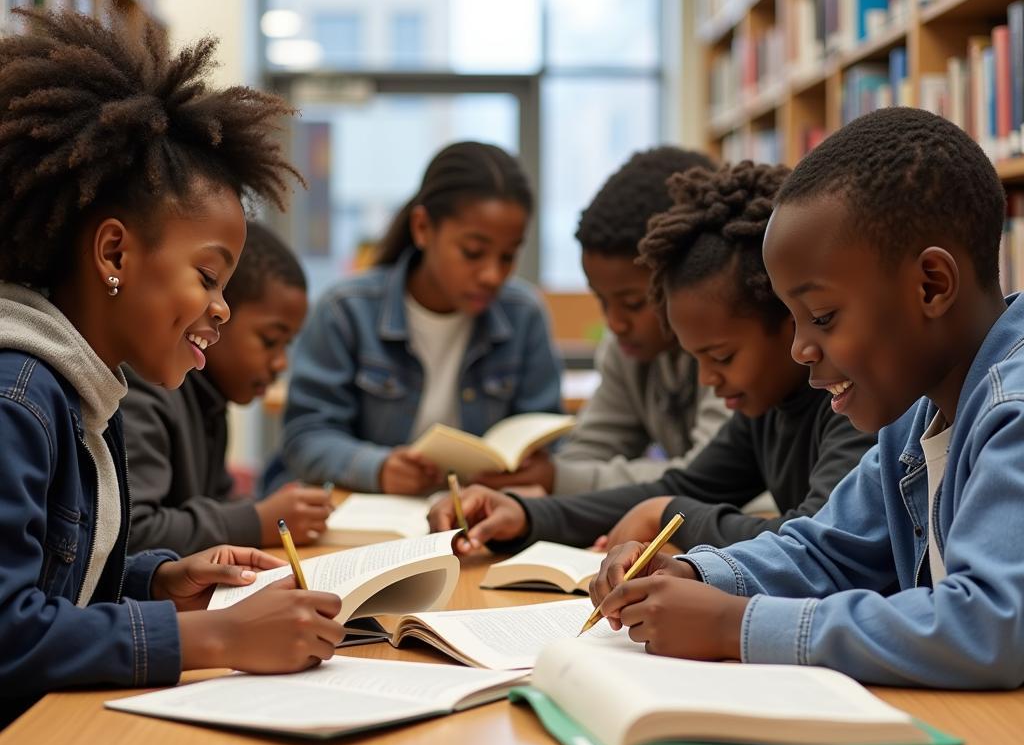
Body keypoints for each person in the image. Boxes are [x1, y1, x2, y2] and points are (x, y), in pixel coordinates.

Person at [593, 107, 1024, 745]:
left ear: (931, 284)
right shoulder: (917, 418)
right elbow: (826, 549)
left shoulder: (1012, 409)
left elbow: (992, 626)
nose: (801, 349)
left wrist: (733, 625)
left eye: (821, 315)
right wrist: (694, 571)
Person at [0, 8, 344, 745]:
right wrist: (215, 637)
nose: (222, 310)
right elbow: (5, 632)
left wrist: (161, 582)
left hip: (46, 743)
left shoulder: (85, 386)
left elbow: (60, 584)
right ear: (114, 252)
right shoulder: (18, 396)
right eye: (208, 275)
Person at [428, 160, 875, 555]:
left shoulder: (856, 400)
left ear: (788, 319)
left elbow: (811, 538)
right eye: (696, 358)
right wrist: (527, 514)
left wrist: (668, 514)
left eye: (720, 356)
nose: (707, 379)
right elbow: (681, 486)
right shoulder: (766, 409)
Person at [279, 140, 563, 495]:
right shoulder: (347, 310)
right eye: (473, 252)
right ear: (423, 228)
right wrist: (379, 468)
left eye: (507, 257)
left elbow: (544, 441)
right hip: (375, 518)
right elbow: (305, 437)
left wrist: (531, 471)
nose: (492, 275)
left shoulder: (525, 316)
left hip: (479, 520)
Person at [475, 146, 730, 496]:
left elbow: (710, 476)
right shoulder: (626, 348)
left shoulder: (733, 351)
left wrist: (559, 479)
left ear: (689, 278)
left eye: (632, 302)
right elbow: (591, 450)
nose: (614, 323)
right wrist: (540, 489)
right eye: (601, 300)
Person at [123, 221, 331, 556]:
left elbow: (217, 498)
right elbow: (134, 532)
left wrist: (272, 510)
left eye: (286, 346)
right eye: (269, 341)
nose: (280, 364)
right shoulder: (145, 388)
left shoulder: (209, 398)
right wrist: (257, 521)